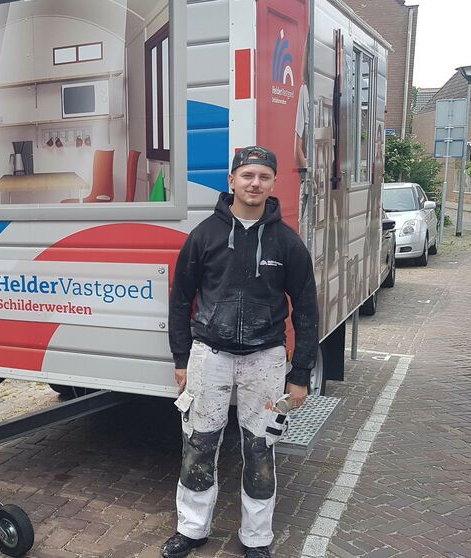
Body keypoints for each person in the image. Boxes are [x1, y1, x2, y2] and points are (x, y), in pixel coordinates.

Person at [162, 146, 319, 558]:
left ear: (273, 183)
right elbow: (180, 300)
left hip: (265, 359)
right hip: (209, 355)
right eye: (247, 175)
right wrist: (181, 358)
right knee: (199, 443)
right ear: (232, 180)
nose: (255, 183)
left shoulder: (287, 242)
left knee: (260, 448)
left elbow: (306, 309)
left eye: (264, 176)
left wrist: (300, 374)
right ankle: (192, 529)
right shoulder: (204, 236)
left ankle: (257, 538)